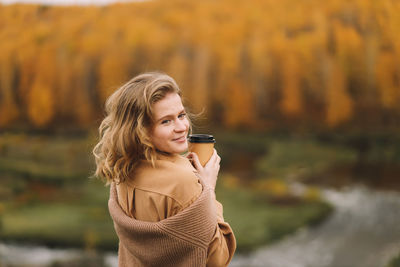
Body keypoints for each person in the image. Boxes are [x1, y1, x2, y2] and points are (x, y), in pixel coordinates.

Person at [93, 72, 236, 266]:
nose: (181, 127)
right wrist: (208, 189)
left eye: (181, 115)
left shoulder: (123, 169)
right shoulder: (184, 180)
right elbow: (217, 258)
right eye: (166, 121)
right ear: (140, 129)